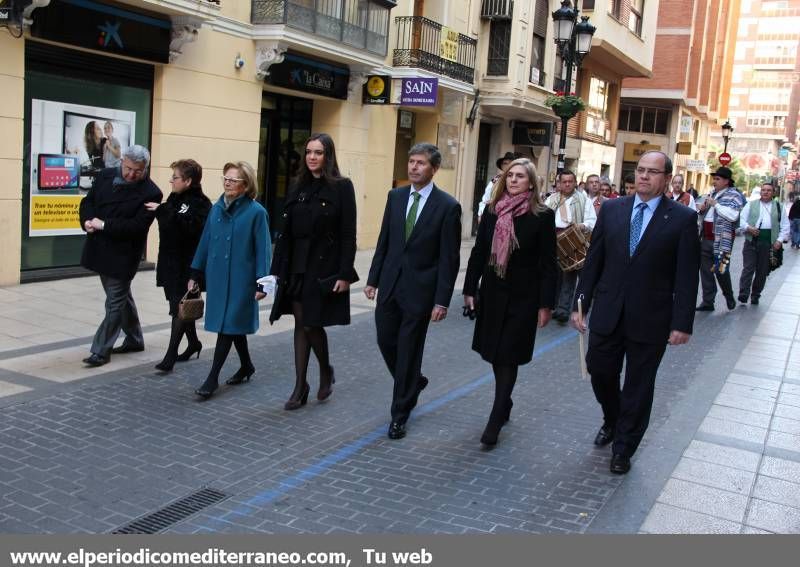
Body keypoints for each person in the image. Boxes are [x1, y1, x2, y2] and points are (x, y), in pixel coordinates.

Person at [571, 151, 700, 475]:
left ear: (667, 178)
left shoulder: (682, 219)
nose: (643, 176)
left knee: (639, 387)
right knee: (598, 369)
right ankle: (613, 419)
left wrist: (682, 323)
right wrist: (580, 304)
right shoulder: (613, 209)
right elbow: (594, 260)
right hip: (608, 310)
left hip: (651, 318)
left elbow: (686, 275)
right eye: (640, 170)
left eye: (652, 172)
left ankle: (624, 448)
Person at [365, 143, 461, 440]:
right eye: (411, 162)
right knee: (385, 340)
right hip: (391, 285)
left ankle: (399, 414)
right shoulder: (395, 197)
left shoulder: (447, 206)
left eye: (420, 163)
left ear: (433, 169)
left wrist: (442, 300)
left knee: (408, 349)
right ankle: (412, 382)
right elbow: (385, 239)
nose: (414, 167)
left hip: (421, 291)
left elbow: (449, 258)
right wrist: (373, 279)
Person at [463, 158, 557, 447]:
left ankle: (495, 417)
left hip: (523, 298)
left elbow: (548, 264)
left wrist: (545, 304)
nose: (514, 180)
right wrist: (469, 288)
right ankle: (505, 402)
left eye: (520, 176)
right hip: (493, 292)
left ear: (531, 182)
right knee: (494, 353)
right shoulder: (493, 211)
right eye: (510, 175)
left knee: (508, 354)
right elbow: (479, 252)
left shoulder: (542, 215)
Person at [269, 134, 358, 410]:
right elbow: (284, 234)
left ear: (328, 156)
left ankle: (324, 370)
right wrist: (273, 273)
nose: (312, 157)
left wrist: (344, 273)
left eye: (318, 152)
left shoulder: (342, 187)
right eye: (308, 152)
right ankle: (300, 385)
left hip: (322, 266)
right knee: (301, 323)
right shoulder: (297, 185)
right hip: (295, 265)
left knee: (310, 322)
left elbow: (347, 234)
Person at [189, 161, 271, 399]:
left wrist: (262, 282)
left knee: (227, 325)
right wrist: (195, 273)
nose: (227, 182)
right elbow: (205, 241)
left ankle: (212, 378)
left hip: (241, 281)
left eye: (233, 180)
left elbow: (263, 249)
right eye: (225, 178)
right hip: (217, 278)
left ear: (245, 186)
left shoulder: (257, 212)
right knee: (232, 325)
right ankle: (246, 365)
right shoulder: (216, 209)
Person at [78, 145, 163, 367]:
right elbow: (88, 202)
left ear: (145, 168)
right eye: (128, 168)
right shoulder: (106, 175)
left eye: (138, 170)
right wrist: (87, 220)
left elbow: (136, 227)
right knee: (122, 298)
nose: (131, 174)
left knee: (114, 302)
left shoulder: (151, 192)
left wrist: (104, 224)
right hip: (100, 248)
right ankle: (134, 339)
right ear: (122, 160)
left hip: (123, 255)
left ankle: (100, 350)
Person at [145, 159, 211, 372]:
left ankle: (170, 356)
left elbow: (192, 231)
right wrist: (163, 211)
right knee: (182, 306)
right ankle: (193, 343)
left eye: (175, 177)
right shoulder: (173, 198)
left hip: (188, 266)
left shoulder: (201, 204)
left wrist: (164, 211)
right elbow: (168, 226)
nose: (171, 181)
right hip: (170, 262)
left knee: (178, 310)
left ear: (188, 180)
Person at [544, 170, 596, 323]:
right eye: (564, 181)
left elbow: (592, 221)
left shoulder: (584, 200)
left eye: (570, 181)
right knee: (554, 274)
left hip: (575, 240)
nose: (567, 184)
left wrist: (582, 226)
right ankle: (554, 306)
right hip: (554, 240)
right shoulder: (551, 200)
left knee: (571, 275)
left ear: (575, 182)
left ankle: (566, 310)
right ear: (559, 183)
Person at [696, 167, 746, 311]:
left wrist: (716, 205)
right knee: (705, 271)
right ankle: (708, 301)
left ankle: (729, 296)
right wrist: (703, 208)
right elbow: (707, 214)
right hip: (706, 238)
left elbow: (732, 216)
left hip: (722, 241)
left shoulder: (734, 195)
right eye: (714, 178)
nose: (714, 181)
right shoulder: (712, 193)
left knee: (721, 269)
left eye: (717, 179)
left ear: (726, 181)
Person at [737, 181, 789, 305]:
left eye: (768, 190)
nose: (765, 192)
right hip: (751, 242)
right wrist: (749, 228)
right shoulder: (751, 204)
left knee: (762, 270)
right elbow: (741, 219)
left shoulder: (779, 207)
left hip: (768, 243)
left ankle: (756, 294)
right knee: (748, 268)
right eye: (763, 190)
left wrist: (779, 241)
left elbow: (785, 226)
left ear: (773, 193)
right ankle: (743, 293)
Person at [477, 152, 521, 219]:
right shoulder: (495, 180)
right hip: (493, 214)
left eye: (510, 163)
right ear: (501, 166)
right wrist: (481, 214)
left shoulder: (518, 180)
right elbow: (486, 198)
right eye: (505, 163)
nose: (507, 166)